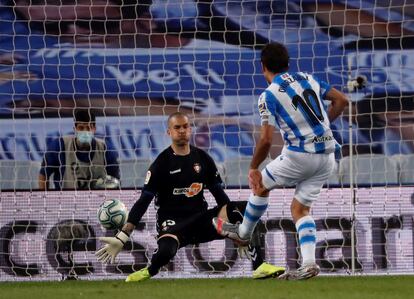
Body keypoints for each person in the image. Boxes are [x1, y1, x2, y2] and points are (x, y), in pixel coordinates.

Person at [212, 43, 348, 280]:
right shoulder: (307, 78)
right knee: (300, 209)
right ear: (288, 63)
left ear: (262, 66)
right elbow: (342, 100)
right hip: (327, 156)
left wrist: (253, 167)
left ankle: (243, 232)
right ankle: (308, 263)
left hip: (299, 155)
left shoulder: (269, 94)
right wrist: (322, 124)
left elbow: (265, 140)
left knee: (260, 184)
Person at [95, 112, 285, 281]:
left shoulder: (202, 158)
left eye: (185, 126)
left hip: (203, 220)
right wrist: (122, 237)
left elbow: (219, 195)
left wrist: (240, 227)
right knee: (165, 252)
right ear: (169, 132)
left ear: (190, 129)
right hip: (173, 223)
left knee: (245, 209)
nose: (182, 131)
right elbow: (143, 201)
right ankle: (149, 271)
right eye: (177, 127)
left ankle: (259, 265)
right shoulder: (161, 163)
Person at [38, 109, 120, 190]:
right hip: (65, 199)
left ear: (94, 129)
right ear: (75, 129)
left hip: (97, 199)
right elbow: (43, 175)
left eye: (88, 128)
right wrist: (45, 199)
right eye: (81, 128)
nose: (85, 131)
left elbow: (115, 180)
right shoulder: (59, 146)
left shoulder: (106, 149)